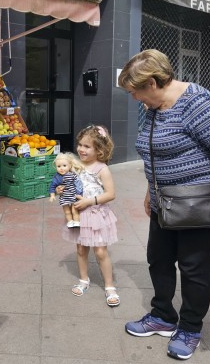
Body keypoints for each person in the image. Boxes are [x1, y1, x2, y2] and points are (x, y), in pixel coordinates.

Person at [118, 49, 210, 360]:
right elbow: (153, 151)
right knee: (158, 259)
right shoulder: (155, 105)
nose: (134, 99)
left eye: (135, 92)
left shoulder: (197, 102)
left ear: (152, 82)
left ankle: (189, 328)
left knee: (193, 269)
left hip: (196, 204)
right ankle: (162, 315)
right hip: (164, 201)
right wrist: (151, 190)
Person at [60, 125, 120, 307]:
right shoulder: (75, 166)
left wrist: (90, 201)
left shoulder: (102, 169)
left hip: (95, 215)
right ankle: (84, 280)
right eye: (80, 145)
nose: (81, 149)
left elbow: (110, 194)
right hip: (79, 215)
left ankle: (109, 286)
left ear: (99, 150)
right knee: (81, 249)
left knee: (101, 251)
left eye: (87, 146)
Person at [49, 152, 83, 228]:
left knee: (75, 210)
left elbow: (78, 183)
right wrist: (52, 195)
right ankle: (70, 222)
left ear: (70, 166)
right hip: (64, 197)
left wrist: (79, 193)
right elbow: (52, 186)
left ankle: (77, 222)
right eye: (59, 166)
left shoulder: (72, 174)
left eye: (64, 166)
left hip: (73, 195)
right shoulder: (56, 177)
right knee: (67, 211)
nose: (61, 168)